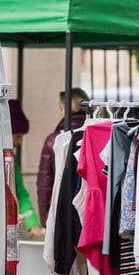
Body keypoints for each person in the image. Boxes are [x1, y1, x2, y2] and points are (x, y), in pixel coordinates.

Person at [36, 87, 90, 228]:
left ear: (64, 110)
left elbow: (44, 186)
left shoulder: (53, 140)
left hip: (62, 213)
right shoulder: (97, 135)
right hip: (92, 212)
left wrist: (46, 221)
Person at [8, 99, 43, 238]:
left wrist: (32, 224)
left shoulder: (12, 158)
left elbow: (20, 192)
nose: (20, 141)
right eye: (17, 136)